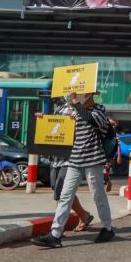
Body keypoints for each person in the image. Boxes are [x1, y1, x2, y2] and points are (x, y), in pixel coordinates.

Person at [31, 92, 113, 247]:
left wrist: (77, 105)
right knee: (65, 196)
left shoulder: (99, 109)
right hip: (75, 159)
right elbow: (59, 128)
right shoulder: (75, 111)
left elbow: (94, 122)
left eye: (79, 94)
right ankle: (55, 234)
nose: (74, 96)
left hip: (93, 159)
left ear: (88, 95)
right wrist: (44, 121)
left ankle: (108, 227)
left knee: (98, 195)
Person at [38, 99, 95, 232]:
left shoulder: (82, 110)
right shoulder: (60, 109)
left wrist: (75, 122)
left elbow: (88, 128)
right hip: (56, 157)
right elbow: (51, 126)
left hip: (71, 157)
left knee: (62, 191)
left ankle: (57, 230)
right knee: (57, 190)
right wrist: (42, 119)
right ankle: (84, 215)